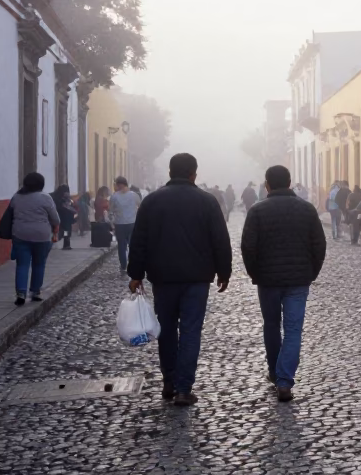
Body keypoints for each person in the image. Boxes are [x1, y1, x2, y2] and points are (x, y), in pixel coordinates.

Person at [127, 153, 233, 408]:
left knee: (166, 330)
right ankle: (184, 389)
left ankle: (169, 381)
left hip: (163, 278)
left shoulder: (152, 201)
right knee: (190, 331)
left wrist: (136, 274)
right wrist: (224, 271)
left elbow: (139, 239)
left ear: (170, 171)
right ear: (193, 173)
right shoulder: (207, 201)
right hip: (196, 279)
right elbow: (220, 239)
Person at [241, 165, 327, 402]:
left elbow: (248, 247)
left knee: (271, 325)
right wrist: (311, 272)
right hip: (298, 280)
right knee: (293, 330)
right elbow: (319, 245)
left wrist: (255, 273)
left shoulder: (257, 211)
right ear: (290, 183)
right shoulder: (307, 210)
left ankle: (273, 371)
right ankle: (284, 381)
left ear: (267, 185)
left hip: (267, 281)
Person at [7, 173, 59, 306]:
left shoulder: (16, 197)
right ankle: (35, 292)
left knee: (22, 264)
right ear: (41, 184)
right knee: (39, 264)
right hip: (41, 236)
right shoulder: (45, 198)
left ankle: (21, 293)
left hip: (20, 234)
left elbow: (11, 214)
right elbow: (55, 219)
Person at [109, 177, 141, 276]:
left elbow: (110, 211)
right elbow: (140, 207)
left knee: (121, 246)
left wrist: (112, 222)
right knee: (132, 245)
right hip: (132, 223)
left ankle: (123, 265)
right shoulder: (134, 195)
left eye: (116, 184)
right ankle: (132, 264)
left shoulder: (114, 197)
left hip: (120, 224)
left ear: (119, 185)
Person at [50, 185, 76, 251]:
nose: (67, 193)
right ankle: (53, 242)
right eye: (65, 191)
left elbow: (71, 206)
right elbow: (56, 207)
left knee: (66, 231)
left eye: (67, 191)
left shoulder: (67, 198)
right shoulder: (55, 197)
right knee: (56, 231)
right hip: (58, 218)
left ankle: (66, 244)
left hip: (66, 219)